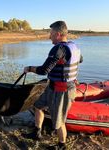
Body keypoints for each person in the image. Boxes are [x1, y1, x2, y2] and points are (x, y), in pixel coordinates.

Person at [23, 21, 83, 150]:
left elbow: (44, 70)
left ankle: (62, 145)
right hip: (53, 87)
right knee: (38, 105)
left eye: (51, 33)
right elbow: (80, 60)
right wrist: (73, 76)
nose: (49, 36)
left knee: (58, 121)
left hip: (62, 91)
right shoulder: (74, 46)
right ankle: (37, 132)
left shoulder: (59, 49)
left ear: (58, 34)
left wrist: (29, 68)